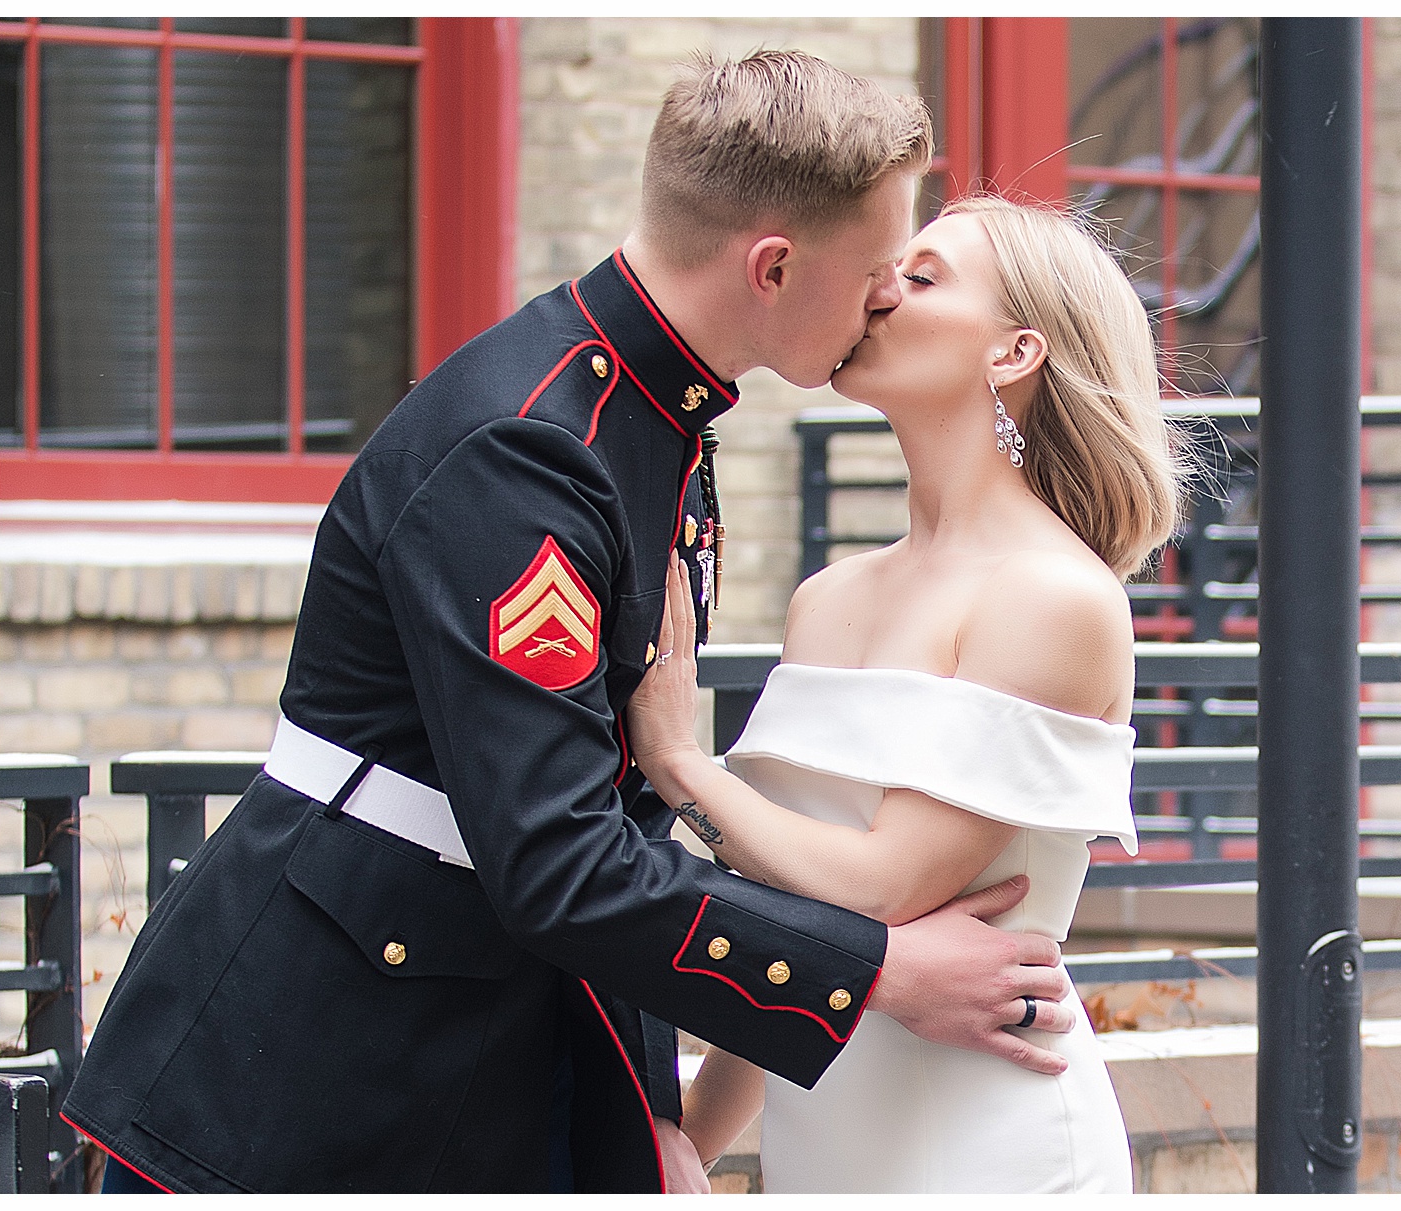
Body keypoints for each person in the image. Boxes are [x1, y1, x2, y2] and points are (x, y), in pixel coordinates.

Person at [60, 53, 1080, 1195]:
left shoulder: (656, 415)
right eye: (880, 269)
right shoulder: (530, 451)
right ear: (776, 266)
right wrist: (878, 971)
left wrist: (649, 1113)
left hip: (481, 1037)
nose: (884, 297)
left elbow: (616, 809)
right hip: (314, 1071)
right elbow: (560, 859)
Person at [627, 194, 1193, 1192]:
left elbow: (887, 886)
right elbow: (795, 925)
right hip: (827, 1145)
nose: (880, 291)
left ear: (1015, 352)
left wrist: (681, 765)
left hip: (992, 1143)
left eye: (921, 277)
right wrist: (693, 1145)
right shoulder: (829, 596)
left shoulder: (1056, 598)